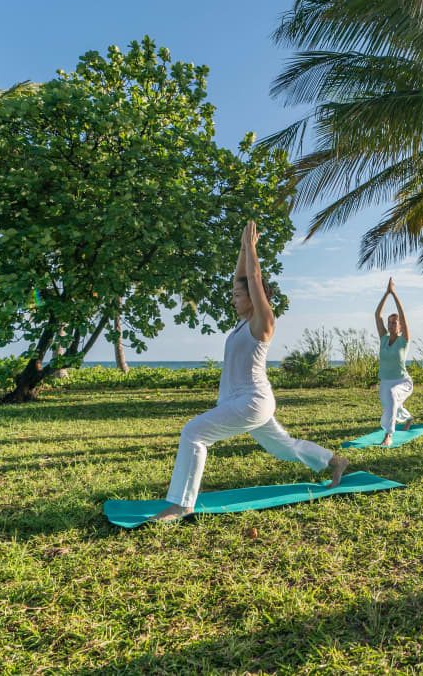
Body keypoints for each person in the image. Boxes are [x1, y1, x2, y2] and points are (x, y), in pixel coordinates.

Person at [149, 220, 349, 523]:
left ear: (256, 298)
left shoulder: (263, 322)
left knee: (193, 433)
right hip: (240, 402)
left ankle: (181, 504)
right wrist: (243, 249)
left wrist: (252, 249)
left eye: (238, 295)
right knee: (285, 448)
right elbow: (242, 276)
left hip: (251, 401)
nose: (233, 297)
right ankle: (335, 461)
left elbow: (252, 278)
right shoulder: (243, 324)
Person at [374, 277, 415, 446]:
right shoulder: (383, 338)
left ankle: (388, 435)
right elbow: (377, 315)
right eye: (390, 323)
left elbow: (403, 316)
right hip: (385, 381)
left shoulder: (403, 340)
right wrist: (386, 293)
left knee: (392, 399)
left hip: (402, 382)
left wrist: (394, 293)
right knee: (391, 407)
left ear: (399, 327)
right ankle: (408, 418)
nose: (391, 325)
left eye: (394, 323)